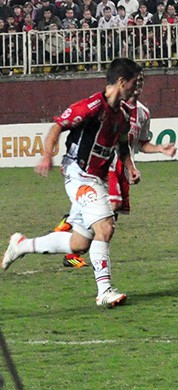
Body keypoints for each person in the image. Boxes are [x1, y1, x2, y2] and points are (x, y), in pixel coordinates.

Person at [2, 58, 143, 308]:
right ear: (121, 82)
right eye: (134, 83)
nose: (136, 89)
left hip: (96, 178)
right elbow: (58, 125)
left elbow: (121, 145)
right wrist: (47, 156)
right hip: (79, 175)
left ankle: (21, 245)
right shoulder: (91, 106)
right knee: (105, 228)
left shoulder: (122, 114)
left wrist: (130, 168)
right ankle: (104, 291)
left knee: (79, 244)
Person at [56, 72, 178, 269]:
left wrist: (159, 150)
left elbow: (141, 144)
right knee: (110, 210)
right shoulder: (111, 108)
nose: (138, 84)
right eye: (135, 80)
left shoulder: (143, 113)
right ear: (125, 83)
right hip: (105, 166)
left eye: (142, 81)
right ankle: (79, 244)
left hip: (121, 167)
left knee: (111, 214)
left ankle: (74, 232)